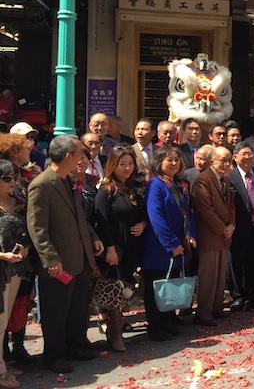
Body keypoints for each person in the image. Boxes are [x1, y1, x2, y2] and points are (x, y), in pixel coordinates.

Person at [26, 135, 103, 373]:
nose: (84, 157)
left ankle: (76, 345)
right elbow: (37, 227)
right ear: (68, 156)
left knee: (77, 308)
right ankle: (55, 355)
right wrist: (50, 259)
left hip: (78, 257)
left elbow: (79, 216)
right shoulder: (41, 184)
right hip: (58, 262)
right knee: (55, 311)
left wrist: (93, 237)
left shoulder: (69, 181)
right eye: (80, 152)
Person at [95, 144, 148, 352]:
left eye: (130, 163)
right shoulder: (106, 189)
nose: (126, 168)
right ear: (112, 165)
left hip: (133, 246)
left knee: (127, 287)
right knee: (115, 289)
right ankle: (115, 332)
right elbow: (102, 221)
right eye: (121, 164)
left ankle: (119, 324)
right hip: (114, 246)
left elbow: (144, 214)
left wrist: (143, 224)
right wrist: (110, 248)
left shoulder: (136, 187)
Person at [142, 146, 196, 341]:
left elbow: (187, 212)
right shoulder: (155, 185)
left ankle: (168, 320)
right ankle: (156, 326)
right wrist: (172, 244)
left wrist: (190, 235)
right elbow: (156, 217)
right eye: (169, 160)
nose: (174, 163)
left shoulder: (177, 184)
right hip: (160, 246)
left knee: (170, 283)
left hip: (178, 243)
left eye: (177, 160)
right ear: (159, 163)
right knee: (157, 285)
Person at [191, 146, 235, 326]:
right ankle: (203, 312)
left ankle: (216, 307)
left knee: (219, 274)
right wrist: (223, 228)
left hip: (224, 234)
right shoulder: (202, 180)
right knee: (208, 274)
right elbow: (205, 210)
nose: (226, 164)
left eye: (229, 160)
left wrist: (231, 225)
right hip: (210, 234)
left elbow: (231, 205)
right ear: (212, 162)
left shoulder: (225, 178)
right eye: (222, 160)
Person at [227, 142, 254, 311]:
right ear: (235, 157)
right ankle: (237, 296)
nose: (247, 157)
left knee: (253, 262)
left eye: (249, 154)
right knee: (236, 263)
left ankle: (250, 295)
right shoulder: (230, 176)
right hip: (238, 227)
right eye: (243, 154)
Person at [0, 160, 28, 388]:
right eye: (6, 178)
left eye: (14, 177)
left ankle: (3, 365)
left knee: (5, 319)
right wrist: (2, 256)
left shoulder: (17, 201)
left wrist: (25, 248)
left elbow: (25, 231)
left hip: (15, 269)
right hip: (2, 269)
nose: (12, 182)